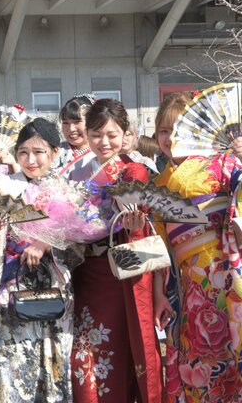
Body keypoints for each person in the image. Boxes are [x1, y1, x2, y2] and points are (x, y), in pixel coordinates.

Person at [0, 118, 82, 402]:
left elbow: (79, 246)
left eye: (39, 152)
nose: (31, 160)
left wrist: (46, 242)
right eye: (23, 152)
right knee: (12, 359)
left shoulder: (66, 190)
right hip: (11, 285)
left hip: (52, 287)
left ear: (55, 153)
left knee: (52, 354)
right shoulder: (3, 185)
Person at [68, 99, 166, 403]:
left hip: (121, 274)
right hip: (86, 274)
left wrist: (135, 223)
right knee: (84, 356)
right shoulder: (75, 173)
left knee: (123, 352)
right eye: (96, 135)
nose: (104, 142)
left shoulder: (133, 169)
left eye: (112, 134)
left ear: (125, 134)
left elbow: (148, 233)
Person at [151, 93, 242, 402]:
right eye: (163, 131)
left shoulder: (223, 164)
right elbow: (158, 245)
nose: (170, 138)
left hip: (225, 273)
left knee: (229, 349)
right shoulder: (158, 183)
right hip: (184, 283)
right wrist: (159, 293)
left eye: (178, 130)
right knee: (196, 357)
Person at [53, 95, 96, 177]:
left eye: (77, 122)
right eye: (65, 123)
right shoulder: (55, 150)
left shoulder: (101, 152)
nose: (71, 129)